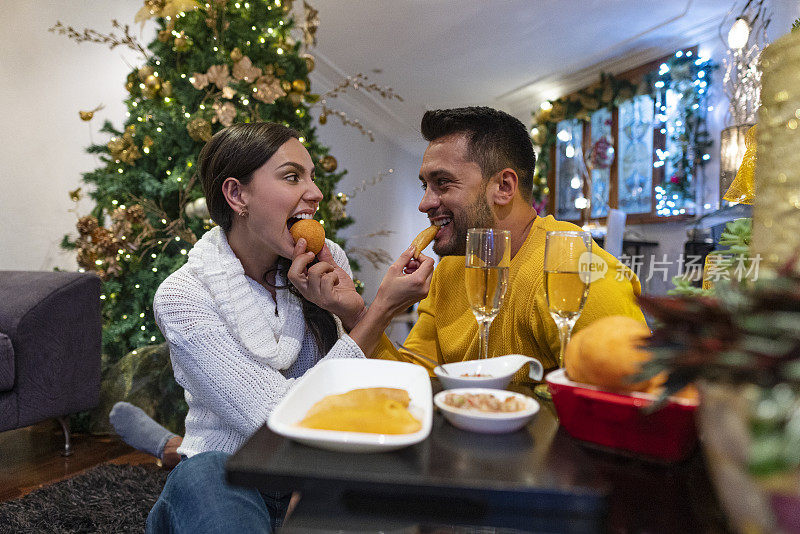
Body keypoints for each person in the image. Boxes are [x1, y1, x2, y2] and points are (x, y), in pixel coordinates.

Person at [143, 121, 434, 534]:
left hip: (318, 470)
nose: (315, 193)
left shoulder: (326, 259)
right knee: (202, 475)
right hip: (229, 472)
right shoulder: (183, 297)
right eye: (293, 176)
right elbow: (274, 419)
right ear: (237, 194)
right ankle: (169, 449)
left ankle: (159, 443)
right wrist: (381, 310)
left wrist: (352, 310)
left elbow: (356, 394)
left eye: (312, 177)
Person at [373, 106, 645, 377]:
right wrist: (359, 313)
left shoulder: (574, 271)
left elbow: (630, 392)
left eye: (443, 182)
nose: (424, 204)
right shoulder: (448, 271)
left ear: (504, 187)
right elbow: (413, 380)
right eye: (425, 186)